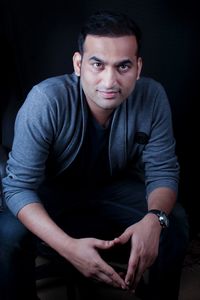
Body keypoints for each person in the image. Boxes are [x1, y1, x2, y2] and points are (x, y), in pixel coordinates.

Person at [0, 10, 189, 300]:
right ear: (78, 64)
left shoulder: (152, 96)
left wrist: (155, 218)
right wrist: (69, 248)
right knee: (8, 233)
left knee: (174, 221)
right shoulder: (45, 101)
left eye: (123, 66)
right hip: (50, 193)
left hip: (113, 188)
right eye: (97, 64)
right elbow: (18, 187)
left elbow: (163, 171)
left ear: (138, 67)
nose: (110, 81)